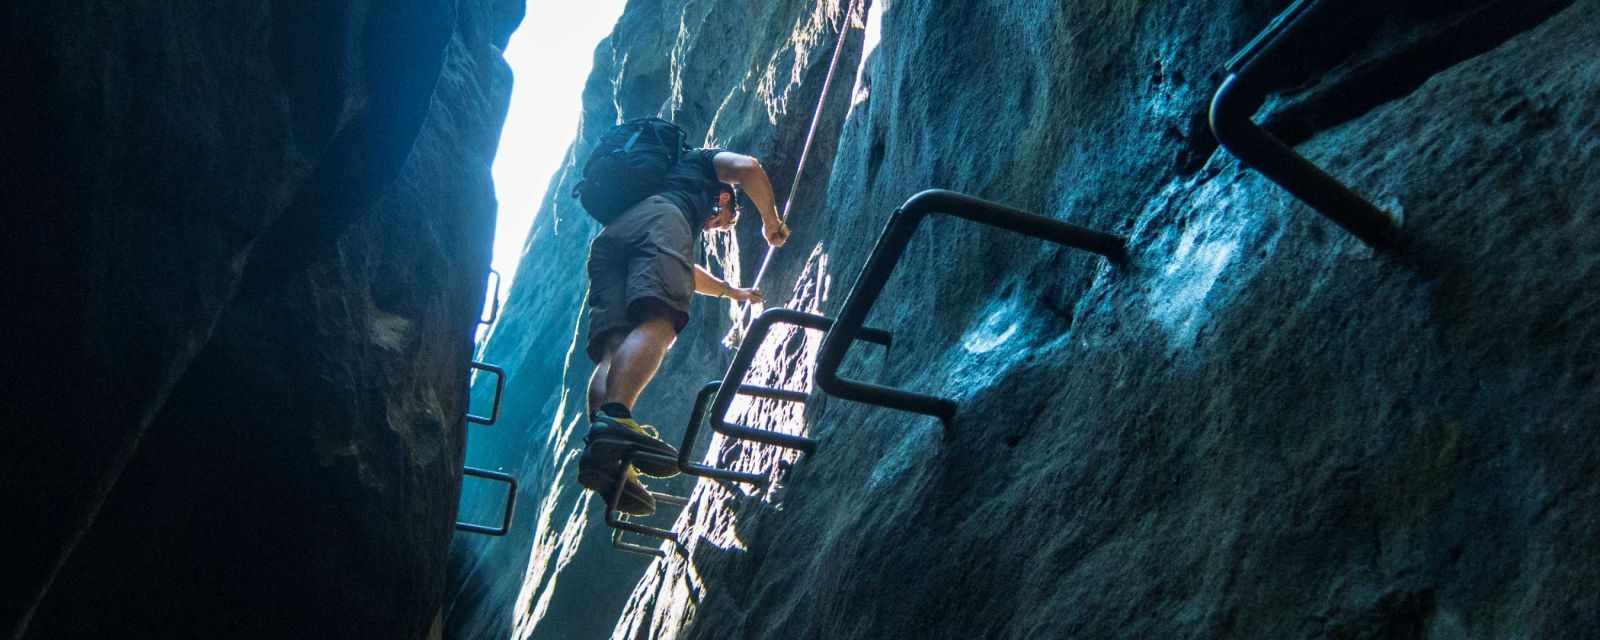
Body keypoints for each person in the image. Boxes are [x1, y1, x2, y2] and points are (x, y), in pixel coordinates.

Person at [577, 145, 790, 515]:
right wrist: (770, 221)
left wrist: (730, 291)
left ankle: (609, 459)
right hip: (661, 221)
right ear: (724, 199)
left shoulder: (663, 186)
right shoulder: (702, 165)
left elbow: (684, 269)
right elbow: (748, 168)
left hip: (611, 241)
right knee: (659, 319)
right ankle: (615, 420)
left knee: (614, 347)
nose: (713, 227)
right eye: (723, 221)